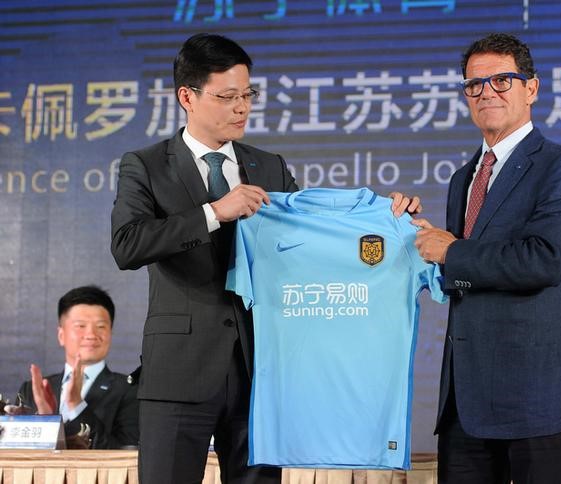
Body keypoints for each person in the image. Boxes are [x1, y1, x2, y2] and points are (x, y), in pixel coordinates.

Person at [110, 33, 419, 484]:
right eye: (227, 96)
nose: (242, 107)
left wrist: (386, 223)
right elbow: (128, 244)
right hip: (179, 371)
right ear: (187, 97)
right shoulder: (146, 165)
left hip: (263, 372)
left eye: (248, 94)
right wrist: (215, 211)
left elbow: (312, 241)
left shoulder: (268, 166)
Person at [413, 33, 561, 484]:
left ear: (531, 88)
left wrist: (452, 250)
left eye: (501, 80)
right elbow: (464, 275)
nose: (486, 92)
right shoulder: (463, 178)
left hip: (539, 396)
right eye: (474, 85)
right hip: (466, 401)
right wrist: (416, 239)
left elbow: (545, 260)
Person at [4, 285, 139, 450]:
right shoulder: (31, 390)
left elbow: (128, 458)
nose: (90, 335)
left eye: (101, 326)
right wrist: (46, 421)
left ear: (110, 334)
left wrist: (78, 406)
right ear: (61, 335)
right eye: (80, 326)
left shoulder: (131, 390)